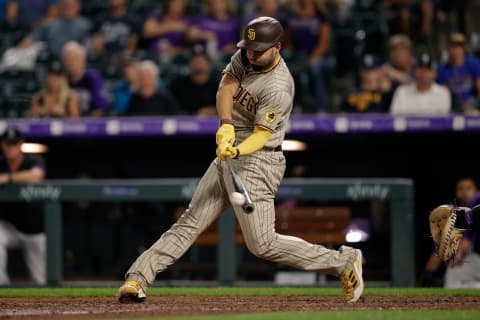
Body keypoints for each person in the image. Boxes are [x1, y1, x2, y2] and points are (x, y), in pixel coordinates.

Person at [117, 16, 363, 304]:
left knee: (262, 244)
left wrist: (236, 149)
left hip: (259, 159)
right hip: (232, 149)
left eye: (259, 49)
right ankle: (138, 278)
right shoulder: (246, 55)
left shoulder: (278, 86)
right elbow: (226, 87)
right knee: (190, 221)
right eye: (249, 48)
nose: (252, 54)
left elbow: (261, 135)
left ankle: (343, 262)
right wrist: (225, 126)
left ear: (278, 47)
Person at [0, 127, 46, 285]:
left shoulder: (33, 160)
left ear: (20, 145)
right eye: (7, 144)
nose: (10, 147)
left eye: (14, 144)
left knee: (41, 280)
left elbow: (37, 175)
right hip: (9, 226)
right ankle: (2, 286)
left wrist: (9, 178)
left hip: (34, 228)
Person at [419, 177, 479, 287]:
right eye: (461, 188)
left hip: (475, 260)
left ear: (476, 192)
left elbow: (464, 244)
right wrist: (428, 274)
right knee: (453, 276)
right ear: (456, 193)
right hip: (465, 265)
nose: (465, 192)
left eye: (469, 188)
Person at [284, 0, 332, 113]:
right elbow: (288, 41)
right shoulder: (294, 17)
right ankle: (294, 107)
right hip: (298, 57)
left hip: (318, 58)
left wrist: (310, 59)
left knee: (315, 68)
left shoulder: (321, 18)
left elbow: (323, 44)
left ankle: (321, 107)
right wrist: (294, 56)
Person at [17, 0, 91, 58]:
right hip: (51, 61)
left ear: (78, 7)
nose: (67, 9)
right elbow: (29, 40)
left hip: (75, 61)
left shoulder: (85, 25)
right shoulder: (49, 24)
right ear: (60, 7)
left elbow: (89, 48)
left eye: (70, 6)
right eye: (65, 6)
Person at [62, 41, 111, 116]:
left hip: (90, 122)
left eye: (74, 58)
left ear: (83, 60)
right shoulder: (62, 80)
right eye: (67, 59)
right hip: (67, 122)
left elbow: (101, 108)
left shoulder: (93, 78)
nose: (70, 62)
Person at [436, 32, 480, 115]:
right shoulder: (441, 70)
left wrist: (473, 106)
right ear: (448, 49)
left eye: (459, 47)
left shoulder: (474, 63)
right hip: (454, 107)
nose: (456, 50)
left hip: (474, 104)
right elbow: (442, 94)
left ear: (464, 48)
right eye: (452, 47)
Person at [169, 49, 218, 116]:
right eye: (194, 61)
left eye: (201, 62)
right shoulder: (178, 84)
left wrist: (214, 110)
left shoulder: (218, 85)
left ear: (208, 64)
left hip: (211, 122)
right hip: (183, 121)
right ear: (189, 64)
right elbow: (171, 107)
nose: (197, 65)